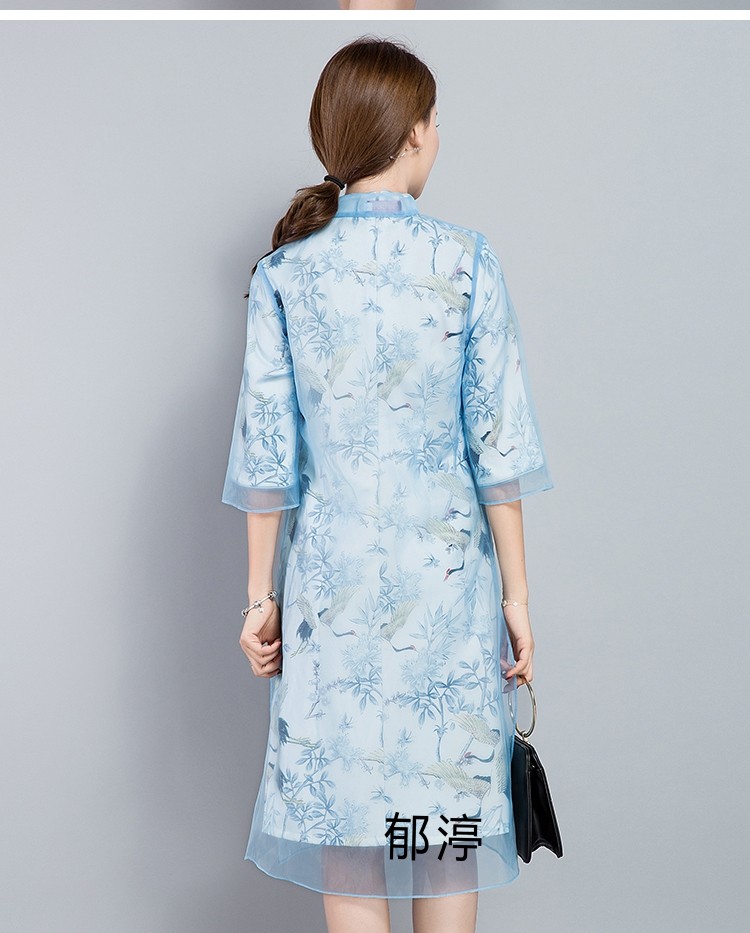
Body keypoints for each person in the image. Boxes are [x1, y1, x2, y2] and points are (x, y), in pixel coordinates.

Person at [221, 35, 554, 933]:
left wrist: (259, 599)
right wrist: (518, 597)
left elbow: (266, 455)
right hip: (444, 598)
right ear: (409, 133)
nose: (438, 136)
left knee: (353, 843)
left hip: (330, 604)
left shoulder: (286, 275)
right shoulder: (466, 261)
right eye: (435, 120)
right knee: (443, 839)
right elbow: (499, 447)